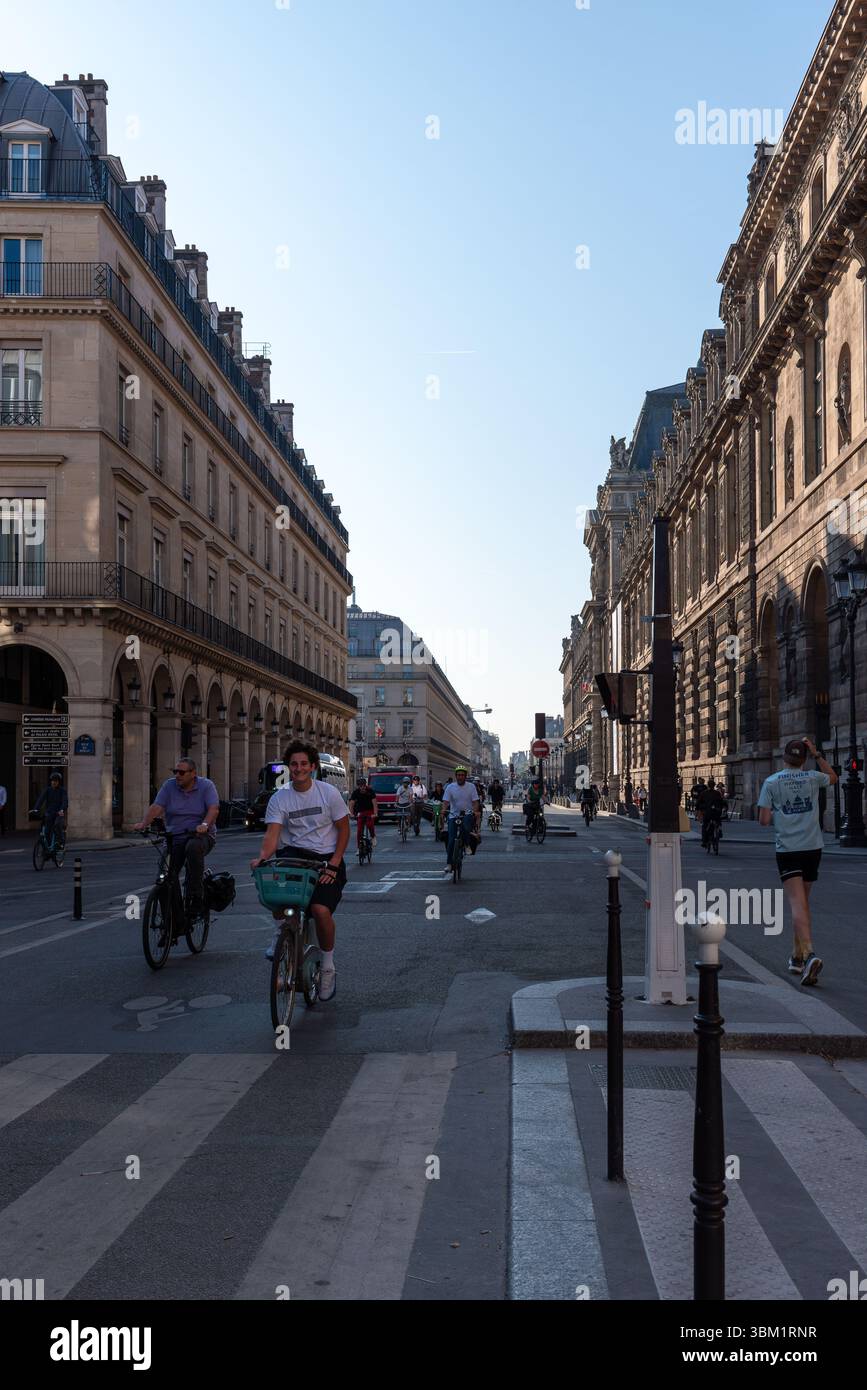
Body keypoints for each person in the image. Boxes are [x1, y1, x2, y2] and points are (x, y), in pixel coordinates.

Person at [251, 740, 349, 1001]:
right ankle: (282, 931)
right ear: (288, 767)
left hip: (326, 857)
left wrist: (336, 863)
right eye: (294, 764)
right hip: (293, 855)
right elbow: (272, 835)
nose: (298, 768)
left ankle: (328, 966)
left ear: (313, 766)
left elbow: (344, 829)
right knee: (274, 889)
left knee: (319, 910)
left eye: (304, 764)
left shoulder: (328, 793)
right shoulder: (280, 797)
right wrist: (262, 857)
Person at [757, 736, 835, 987]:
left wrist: (780, 812)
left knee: (796, 904)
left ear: (784, 758)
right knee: (803, 903)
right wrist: (818, 754)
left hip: (788, 849)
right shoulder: (813, 777)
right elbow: (833, 778)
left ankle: (810, 954)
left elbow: (764, 820)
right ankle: (797, 957)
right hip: (813, 847)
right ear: (804, 758)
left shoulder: (771, 782)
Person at [135, 757, 219, 918]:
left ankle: (196, 896)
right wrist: (144, 823)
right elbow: (157, 807)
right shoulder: (169, 786)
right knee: (165, 877)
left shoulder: (206, 786)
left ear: (193, 773)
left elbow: (213, 809)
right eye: (175, 772)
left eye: (181, 772)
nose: (177, 776)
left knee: (193, 848)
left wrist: (205, 825)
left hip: (201, 836)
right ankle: (172, 921)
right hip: (175, 837)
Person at [442, 765, 480, 867]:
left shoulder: (471, 787)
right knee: (451, 839)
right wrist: (443, 810)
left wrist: (475, 811)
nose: (460, 777)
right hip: (453, 815)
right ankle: (449, 864)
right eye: (458, 775)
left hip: (467, 813)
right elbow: (445, 802)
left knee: (467, 825)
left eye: (462, 775)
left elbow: (475, 802)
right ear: (456, 776)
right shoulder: (450, 787)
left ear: (465, 776)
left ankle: (467, 844)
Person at [33, 772, 68, 849]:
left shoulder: (62, 791)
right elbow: (41, 799)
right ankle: (47, 849)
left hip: (59, 813)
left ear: (59, 782)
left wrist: (62, 809)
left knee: (57, 825)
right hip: (50, 812)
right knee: (46, 831)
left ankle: (60, 842)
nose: (53, 782)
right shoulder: (47, 790)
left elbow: (65, 801)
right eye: (52, 780)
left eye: (55, 781)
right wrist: (36, 809)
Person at [349, 778, 378, 850]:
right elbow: (351, 803)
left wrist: (375, 813)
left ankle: (373, 836)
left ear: (366, 785)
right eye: (360, 786)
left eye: (364, 786)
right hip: (360, 811)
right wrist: (351, 813)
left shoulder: (370, 791)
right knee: (359, 830)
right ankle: (359, 848)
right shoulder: (355, 792)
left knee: (369, 824)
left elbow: (374, 803)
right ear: (358, 786)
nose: (362, 787)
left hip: (369, 810)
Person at [700, 779, 727, 848]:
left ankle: (704, 842)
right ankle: (719, 831)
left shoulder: (704, 793)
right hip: (716, 812)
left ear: (708, 785)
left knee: (704, 826)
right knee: (718, 821)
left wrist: (699, 810)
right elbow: (722, 801)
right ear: (714, 785)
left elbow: (698, 803)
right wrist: (724, 807)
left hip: (707, 813)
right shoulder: (717, 793)